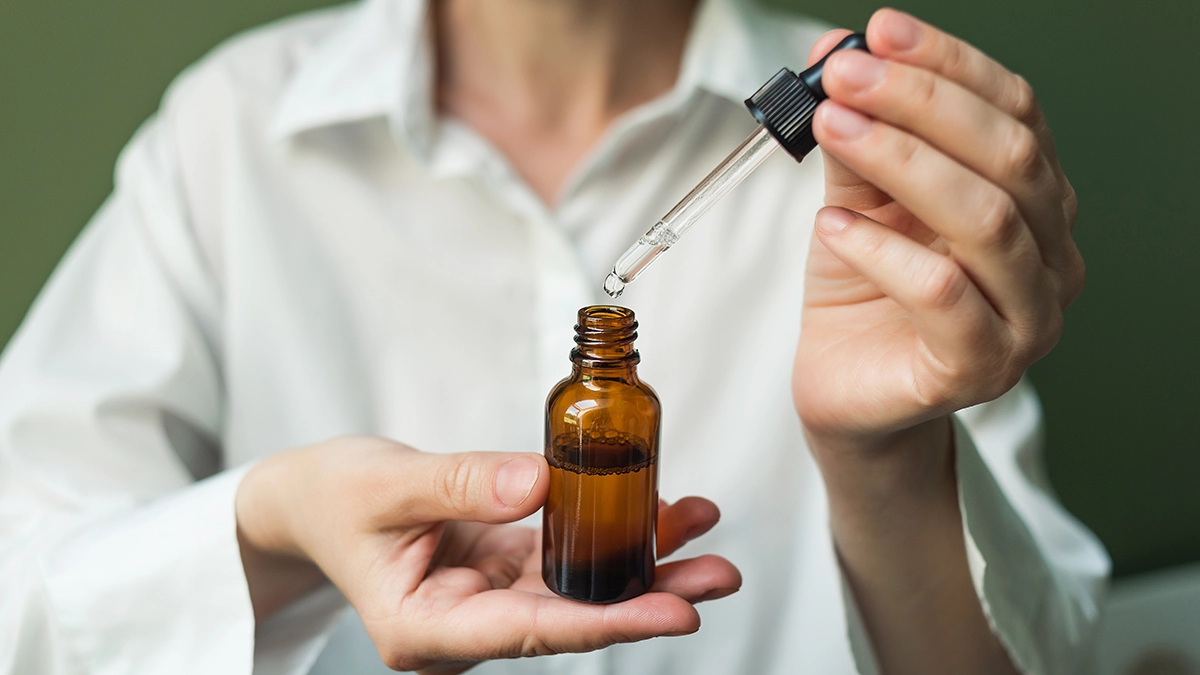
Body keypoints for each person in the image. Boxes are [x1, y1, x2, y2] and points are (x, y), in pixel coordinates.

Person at [0, 0, 1109, 673]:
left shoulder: (877, 175)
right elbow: (24, 596)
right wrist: (275, 525)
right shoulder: (227, 136)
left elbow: (1044, 660)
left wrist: (887, 459)